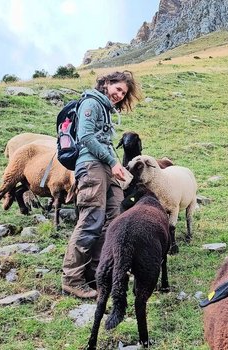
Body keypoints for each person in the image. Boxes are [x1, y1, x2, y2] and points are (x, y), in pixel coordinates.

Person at [61, 71, 141, 298]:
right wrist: (112, 161)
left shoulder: (106, 110)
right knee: (91, 220)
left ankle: (98, 272)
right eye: (117, 89)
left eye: (123, 93)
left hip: (106, 167)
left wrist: (116, 165)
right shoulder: (91, 102)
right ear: (106, 83)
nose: (119, 95)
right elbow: (86, 136)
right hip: (91, 166)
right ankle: (72, 278)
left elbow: (103, 140)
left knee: (114, 218)